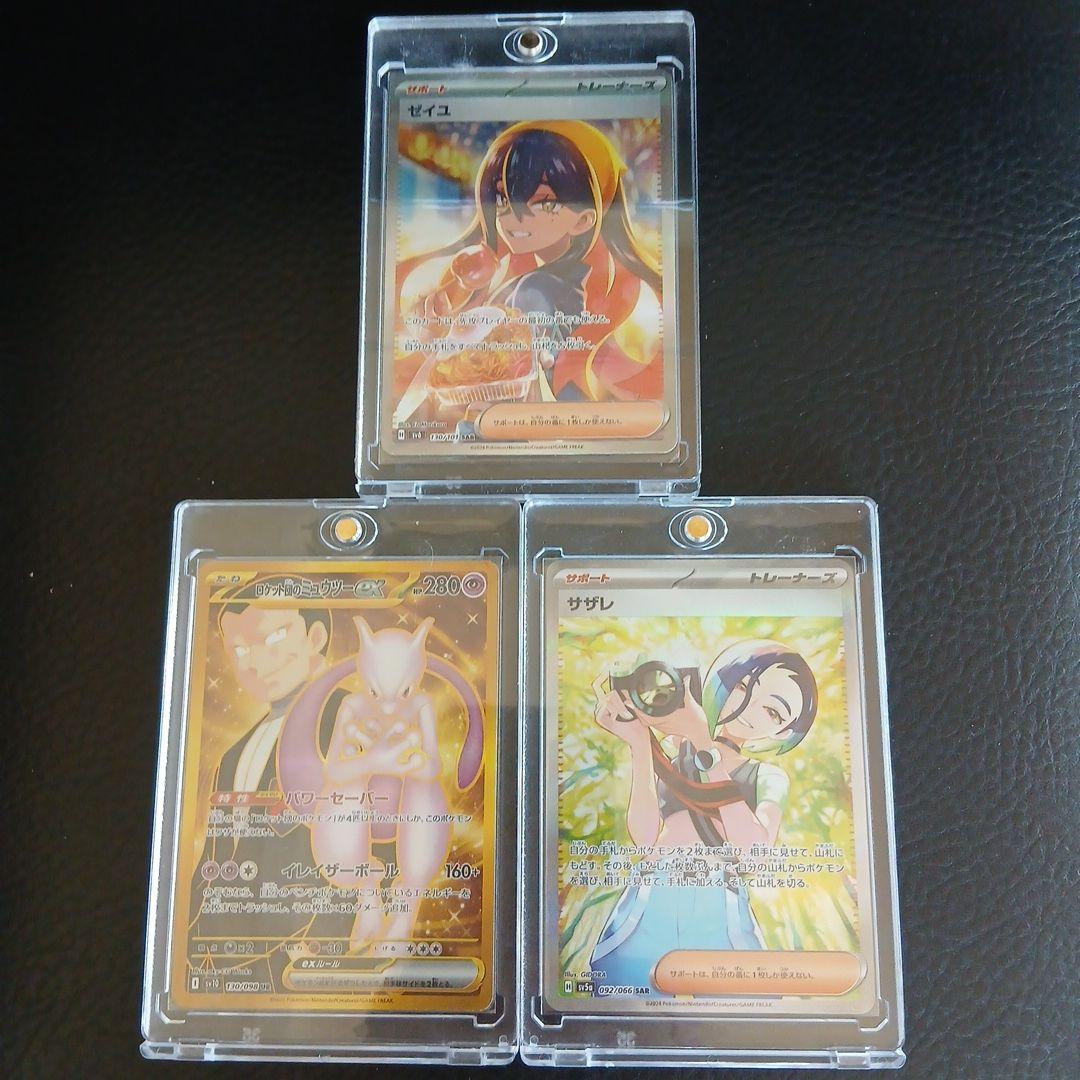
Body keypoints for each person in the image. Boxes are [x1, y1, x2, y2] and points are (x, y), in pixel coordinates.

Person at [588, 640, 818, 996]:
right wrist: (639, 742)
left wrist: (702, 742)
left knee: (743, 1005)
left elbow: (754, 852)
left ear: (784, 732)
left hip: (718, 896)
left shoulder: (767, 776)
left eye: (773, 712)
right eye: (742, 686)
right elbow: (645, 839)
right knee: (623, 992)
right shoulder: (675, 753)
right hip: (656, 887)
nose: (748, 707)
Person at [398, 120, 663, 402]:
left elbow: (563, 374)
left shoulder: (549, 289)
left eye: (544, 203)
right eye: (502, 199)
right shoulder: (511, 268)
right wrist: (442, 325)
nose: (514, 217)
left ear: (583, 219)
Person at [187, 582, 351, 991]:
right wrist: (187, 942)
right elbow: (215, 860)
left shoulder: (349, 718)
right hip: (227, 963)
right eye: (240, 650)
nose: (256, 663)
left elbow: (374, 844)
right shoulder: (233, 755)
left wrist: (329, 945)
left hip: (311, 955)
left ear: (316, 637)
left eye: (275, 637)